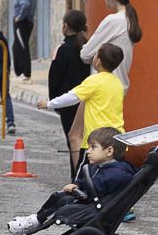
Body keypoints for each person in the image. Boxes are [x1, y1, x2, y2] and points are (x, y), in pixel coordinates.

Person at [8, 128, 135, 235]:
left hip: (97, 209)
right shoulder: (101, 166)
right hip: (92, 203)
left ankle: (37, 221)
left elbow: (96, 190)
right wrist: (77, 185)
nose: (88, 151)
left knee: (64, 201)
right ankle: (36, 219)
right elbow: (87, 181)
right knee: (58, 195)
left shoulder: (117, 173)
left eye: (93, 147)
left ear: (109, 151)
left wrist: (78, 190)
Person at [38, 43, 126, 171]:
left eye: (96, 54)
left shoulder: (94, 81)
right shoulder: (117, 83)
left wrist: (50, 104)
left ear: (98, 61)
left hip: (95, 140)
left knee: (83, 177)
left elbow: (72, 97)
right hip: (116, 139)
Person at [49, 10, 92, 178]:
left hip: (68, 101)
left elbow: (55, 77)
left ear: (65, 26)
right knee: (86, 140)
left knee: (73, 140)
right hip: (86, 100)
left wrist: (54, 101)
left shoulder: (63, 49)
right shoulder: (86, 47)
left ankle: (77, 177)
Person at [80, 0, 143, 90]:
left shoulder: (113, 21)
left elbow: (85, 54)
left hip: (103, 86)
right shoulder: (130, 19)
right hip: (119, 86)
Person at [11, 0, 36, 79]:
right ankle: (19, 72)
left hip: (22, 23)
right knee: (16, 46)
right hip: (25, 22)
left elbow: (25, 4)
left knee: (22, 47)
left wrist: (19, 17)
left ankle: (25, 73)